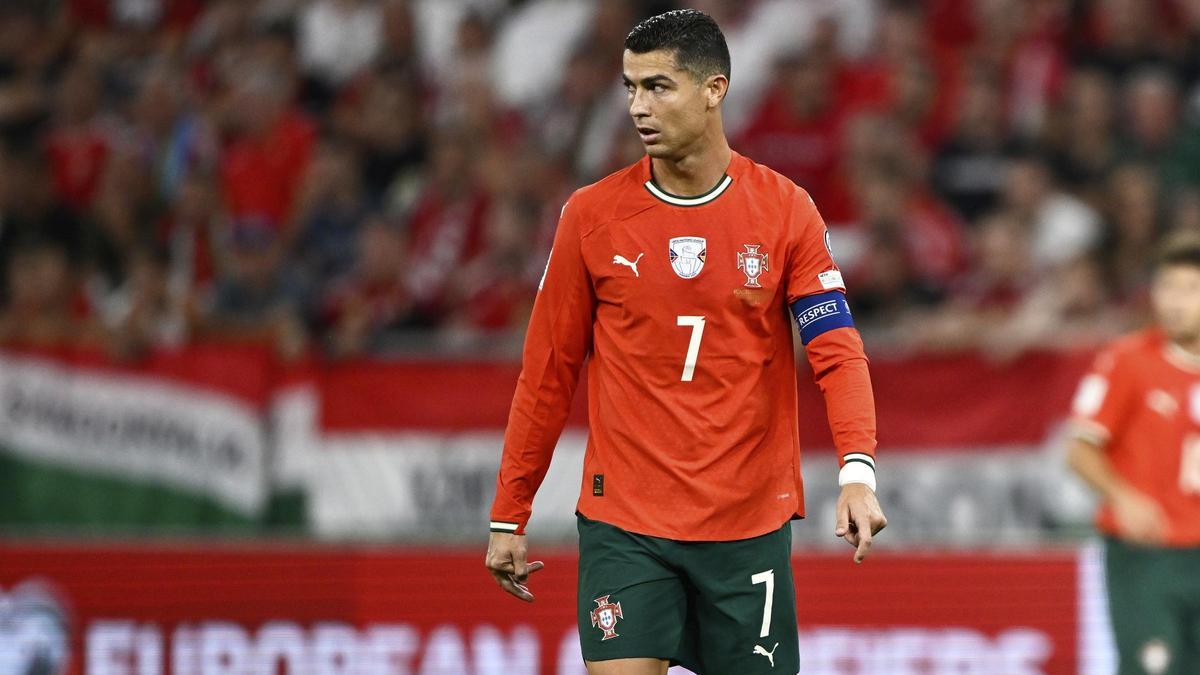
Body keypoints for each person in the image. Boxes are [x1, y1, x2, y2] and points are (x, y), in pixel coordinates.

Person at [484, 10, 886, 675]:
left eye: (659, 86)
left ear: (714, 90)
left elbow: (836, 349)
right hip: (627, 521)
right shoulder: (591, 216)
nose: (639, 106)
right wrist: (509, 512)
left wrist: (857, 471)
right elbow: (547, 371)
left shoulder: (785, 211)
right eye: (631, 87)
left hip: (746, 525)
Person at [1067, 233, 1200, 675]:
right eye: (1167, 288)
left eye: (1190, 289)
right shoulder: (1128, 360)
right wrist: (1123, 497)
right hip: (1149, 555)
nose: (1175, 302)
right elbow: (1081, 449)